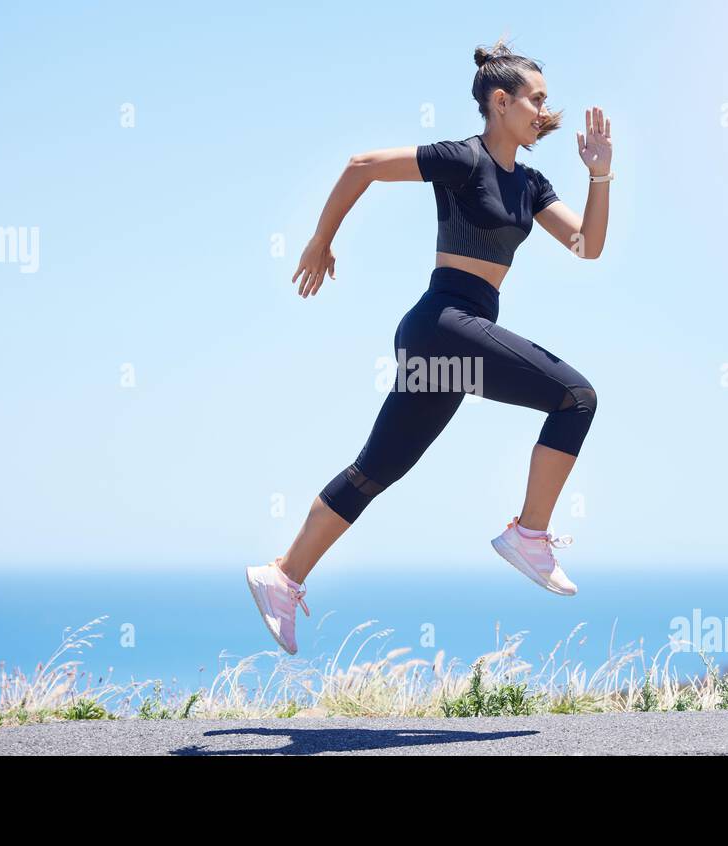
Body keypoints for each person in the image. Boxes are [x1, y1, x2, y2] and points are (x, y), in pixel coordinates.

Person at [247, 38, 614, 654]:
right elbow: (363, 164)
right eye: (537, 99)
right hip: (444, 323)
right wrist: (320, 241)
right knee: (575, 397)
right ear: (501, 101)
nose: (547, 112)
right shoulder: (462, 159)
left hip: (447, 339)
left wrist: (600, 174)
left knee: (376, 470)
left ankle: (282, 577)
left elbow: (587, 245)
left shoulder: (530, 182)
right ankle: (530, 534)